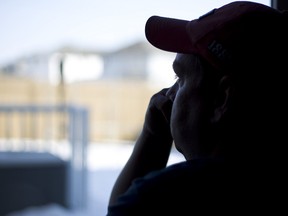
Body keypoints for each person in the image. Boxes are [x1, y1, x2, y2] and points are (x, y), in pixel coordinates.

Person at [106, 1, 287, 215]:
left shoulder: (165, 197)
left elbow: (120, 210)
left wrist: (151, 138)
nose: (168, 94)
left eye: (180, 78)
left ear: (221, 98)